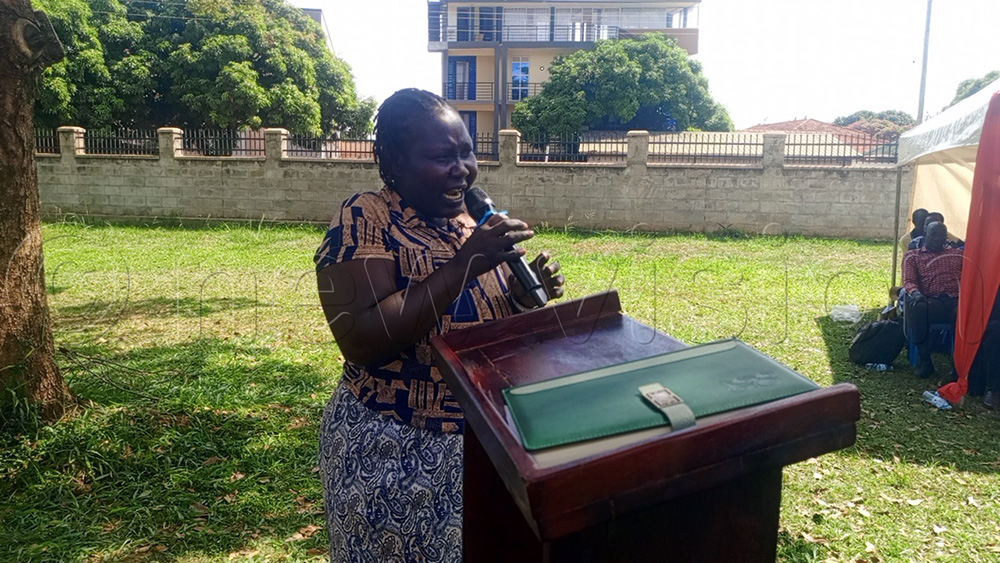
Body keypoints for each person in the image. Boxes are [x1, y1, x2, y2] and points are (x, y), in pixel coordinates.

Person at [313, 88, 565, 562]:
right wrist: (466, 264)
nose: (462, 169)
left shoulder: (473, 224)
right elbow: (362, 339)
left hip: (484, 445)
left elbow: (479, 324)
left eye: (467, 152)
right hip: (392, 450)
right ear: (396, 163)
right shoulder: (367, 216)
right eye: (442, 157)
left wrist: (520, 295)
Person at [902, 221, 964, 378]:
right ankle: (925, 361)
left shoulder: (957, 255)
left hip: (955, 298)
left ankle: (958, 365)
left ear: (946, 237)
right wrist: (916, 293)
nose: (937, 238)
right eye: (933, 234)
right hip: (930, 299)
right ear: (925, 235)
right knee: (918, 308)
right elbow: (908, 281)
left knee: (964, 314)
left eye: (941, 235)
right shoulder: (913, 256)